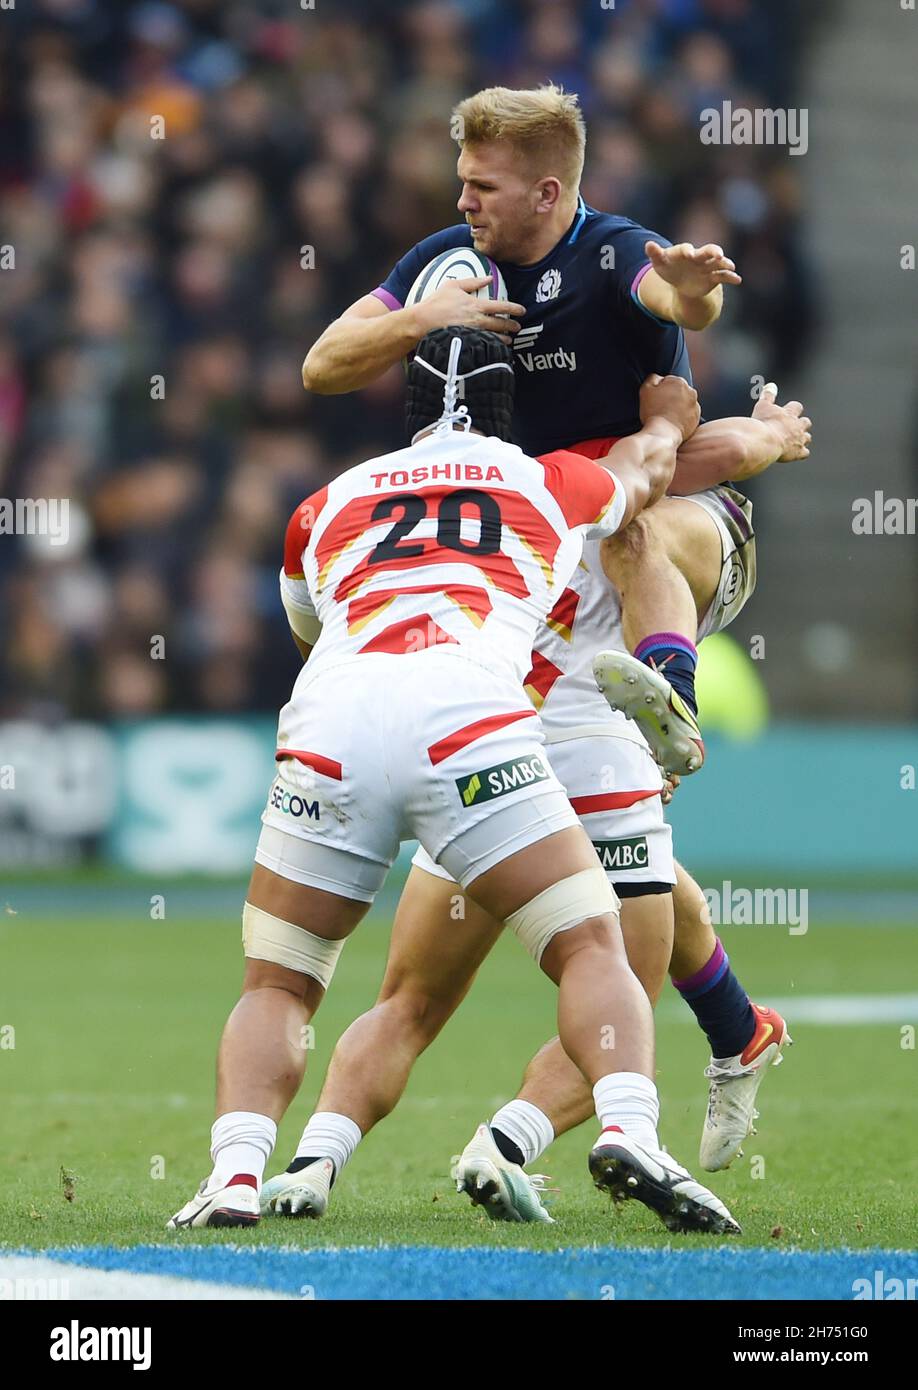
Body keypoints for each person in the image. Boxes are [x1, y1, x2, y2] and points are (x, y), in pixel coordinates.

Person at [265, 85, 807, 1210]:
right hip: (539, 580)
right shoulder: (442, 269)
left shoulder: (612, 259)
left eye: (483, 186)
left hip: (657, 533)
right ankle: (735, 1025)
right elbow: (325, 361)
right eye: (459, 179)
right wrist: (428, 318)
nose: (462, 201)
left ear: (549, 192)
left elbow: (668, 355)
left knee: (634, 522)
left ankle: (667, 691)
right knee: (608, 881)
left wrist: (697, 306)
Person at [168, 328, 739, 1236]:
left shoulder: (326, 501)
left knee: (278, 983)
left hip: (334, 725)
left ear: (403, 403)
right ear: (514, 408)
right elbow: (646, 472)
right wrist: (668, 418)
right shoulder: (545, 481)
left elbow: (308, 631)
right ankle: (633, 1130)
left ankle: (234, 1175)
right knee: (591, 946)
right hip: (470, 726)